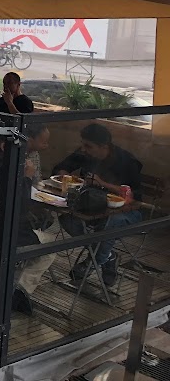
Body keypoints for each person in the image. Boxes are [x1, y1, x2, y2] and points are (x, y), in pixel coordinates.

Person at [53, 123, 143, 286]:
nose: (83, 149)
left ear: (103, 146)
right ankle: (108, 257)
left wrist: (103, 184)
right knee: (67, 220)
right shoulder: (84, 154)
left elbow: (135, 196)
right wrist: (65, 177)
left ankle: (92, 263)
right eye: (82, 144)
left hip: (125, 212)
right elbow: (61, 167)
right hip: (92, 207)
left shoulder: (127, 161)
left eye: (88, 146)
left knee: (109, 225)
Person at [12, 124, 53, 315]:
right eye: (43, 142)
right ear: (30, 139)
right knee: (51, 248)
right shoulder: (16, 159)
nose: (46, 146)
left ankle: (10, 285)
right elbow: (20, 203)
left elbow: (37, 182)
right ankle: (19, 291)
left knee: (44, 223)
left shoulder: (31, 155)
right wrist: (27, 179)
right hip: (9, 232)